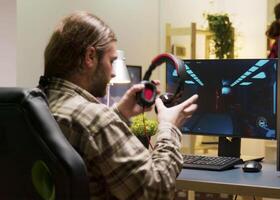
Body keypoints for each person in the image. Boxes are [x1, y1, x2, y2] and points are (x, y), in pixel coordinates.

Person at [39, 11, 198, 200]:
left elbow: (87, 145)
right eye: (112, 61)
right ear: (90, 56)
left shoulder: (35, 107)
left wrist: (119, 114)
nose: (113, 73)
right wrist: (168, 128)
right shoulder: (95, 121)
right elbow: (156, 190)